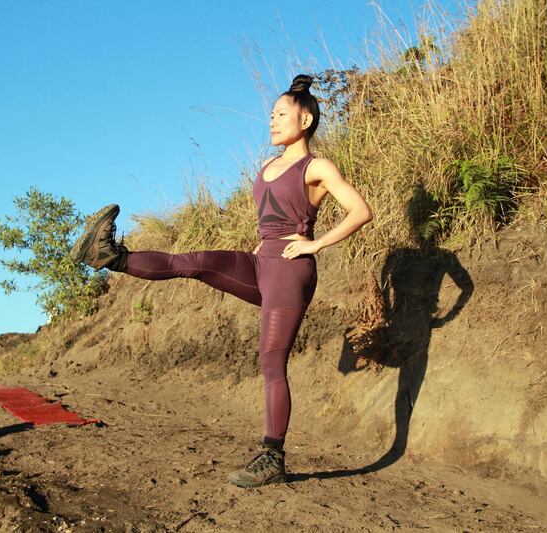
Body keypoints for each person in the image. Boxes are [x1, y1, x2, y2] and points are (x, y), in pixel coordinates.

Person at [70, 74, 373, 488]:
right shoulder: (268, 165)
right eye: (270, 114)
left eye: (280, 114)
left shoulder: (315, 166)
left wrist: (315, 245)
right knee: (193, 262)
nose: (272, 120)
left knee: (271, 360)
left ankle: (272, 456)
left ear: (305, 120)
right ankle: (110, 256)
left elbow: (360, 211)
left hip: (290, 268)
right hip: (261, 261)